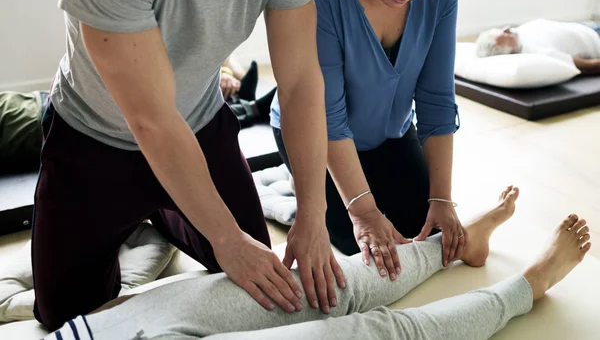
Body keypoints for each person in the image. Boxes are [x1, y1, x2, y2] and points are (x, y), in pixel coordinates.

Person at [33, 0, 344, 331]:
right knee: (65, 316)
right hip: (95, 135)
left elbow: (299, 82)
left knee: (261, 292)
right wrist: (226, 239)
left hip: (200, 124)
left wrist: (313, 216)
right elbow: (153, 120)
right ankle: (160, 211)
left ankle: (167, 212)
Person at [46, 187, 593, 340]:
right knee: (374, 332)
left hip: (99, 331)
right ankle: (528, 285)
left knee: (326, 286)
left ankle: (450, 247)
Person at [271, 0, 462, 280]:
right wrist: (363, 211)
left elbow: (437, 101)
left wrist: (442, 197)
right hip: (318, 133)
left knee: (424, 233)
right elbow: (329, 116)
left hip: (389, 133)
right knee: (370, 253)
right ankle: (288, 195)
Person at [475, 19, 600, 74]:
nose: (507, 28)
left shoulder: (518, 33)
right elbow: (589, 65)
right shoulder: (537, 54)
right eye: (504, 34)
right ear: (509, 52)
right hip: (595, 38)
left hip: (585, 26)